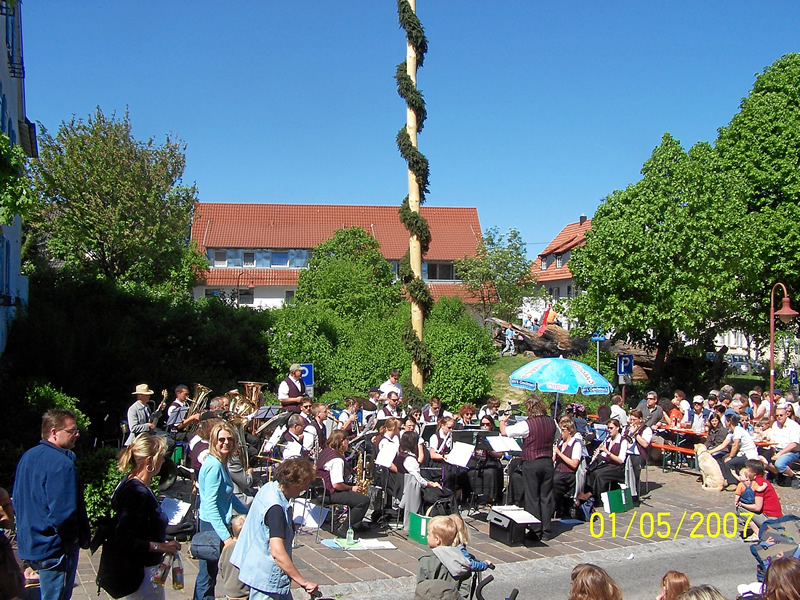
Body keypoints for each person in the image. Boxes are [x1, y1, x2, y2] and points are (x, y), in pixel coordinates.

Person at [13, 409, 90, 600]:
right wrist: (72, 540)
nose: (77, 435)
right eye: (72, 431)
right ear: (54, 432)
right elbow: (63, 515)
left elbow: (19, 500)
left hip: (31, 545)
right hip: (54, 550)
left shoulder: (28, 457)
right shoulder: (62, 465)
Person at [231, 458, 319, 600]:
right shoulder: (275, 508)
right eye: (304, 484)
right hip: (265, 578)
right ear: (294, 482)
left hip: (259, 568)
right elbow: (277, 552)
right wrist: (304, 582)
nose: (304, 489)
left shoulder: (269, 487)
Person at [110, 434, 182, 600]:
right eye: (161, 457)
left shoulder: (129, 481)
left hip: (140, 569)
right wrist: (161, 547)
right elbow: (125, 538)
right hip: (142, 572)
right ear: (150, 461)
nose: (163, 461)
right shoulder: (138, 493)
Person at [194, 422, 249, 600]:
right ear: (213, 441)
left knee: (209, 574)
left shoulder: (221, 462)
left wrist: (248, 513)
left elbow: (229, 496)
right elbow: (210, 504)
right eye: (221, 439)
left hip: (217, 523)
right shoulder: (214, 466)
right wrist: (226, 538)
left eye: (229, 439)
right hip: (212, 525)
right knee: (207, 576)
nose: (226, 443)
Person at [500, 394, 557, 541]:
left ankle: (535, 530)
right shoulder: (552, 422)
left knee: (532, 497)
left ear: (529, 408)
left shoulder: (527, 424)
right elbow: (556, 437)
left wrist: (502, 421)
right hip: (547, 461)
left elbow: (505, 432)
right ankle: (546, 530)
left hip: (532, 462)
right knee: (546, 497)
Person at [316, 430, 370, 537]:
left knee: (356, 497)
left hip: (320, 490)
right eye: (347, 440)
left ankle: (355, 524)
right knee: (363, 501)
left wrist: (351, 471)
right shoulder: (337, 459)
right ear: (342, 441)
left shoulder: (326, 452)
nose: (348, 443)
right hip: (329, 493)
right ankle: (344, 528)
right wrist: (351, 488)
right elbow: (337, 485)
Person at [416, 516, 471, 600]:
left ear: (437, 540)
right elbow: (465, 586)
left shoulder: (426, 560)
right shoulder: (461, 558)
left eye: (429, 534)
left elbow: (421, 588)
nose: (427, 537)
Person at [736, 459, 783, 542]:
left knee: (740, 509)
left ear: (754, 472)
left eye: (747, 468)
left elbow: (757, 507)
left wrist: (741, 504)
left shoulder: (758, 483)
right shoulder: (763, 481)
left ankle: (757, 534)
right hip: (775, 518)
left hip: (771, 519)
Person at [583, 418, 628, 502]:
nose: (609, 430)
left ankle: (598, 498)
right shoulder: (608, 439)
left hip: (617, 468)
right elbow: (605, 456)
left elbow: (620, 461)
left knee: (599, 475)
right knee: (591, 471)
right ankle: (589, 494)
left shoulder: (623, 441)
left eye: (611, 428)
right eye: (608, 428)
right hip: (608, 465)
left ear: (617, 428)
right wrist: (599, 454)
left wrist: (607, 452)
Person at [553, 416, 584, 517]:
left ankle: (553, 509)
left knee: (553, 482)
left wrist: (559, 453)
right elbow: (553, 459)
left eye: (563, 430)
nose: (561, 433)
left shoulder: (576, 444)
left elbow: (574, 464)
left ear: (570, 431)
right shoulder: (560, 442)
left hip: (568, 474)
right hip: (558, 471)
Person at [766, 405, 800, 487]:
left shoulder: (794, 426)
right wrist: (773, 451)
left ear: (786, 415)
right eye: (777, 415)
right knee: (761, 458)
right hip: (777, 449)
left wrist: (779, 454)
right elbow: (772, 439)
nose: (779, 417)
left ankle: (794, 477)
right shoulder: (775, 424)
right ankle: (778, 474)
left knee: (780, 464)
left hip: (791, 451)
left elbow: (794, 444)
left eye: (781, 415)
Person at [217, 515, 249, 600]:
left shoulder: (227, 546)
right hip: (244, 592)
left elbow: (220, 565)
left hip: (229, 589)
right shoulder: (248, 548)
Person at [624, 409, 653, 488]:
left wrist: (635, 433)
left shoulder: (647, 430)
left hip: (639, 454)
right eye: (631, 419)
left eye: (634, 420)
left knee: (634, 469)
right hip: (626, 452)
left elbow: (645, 444)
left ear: (640, 419)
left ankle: (634, 489)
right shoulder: (627, 427)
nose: (632, 422)